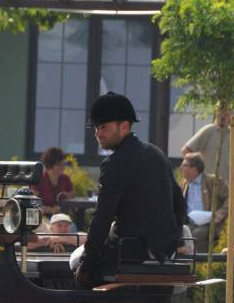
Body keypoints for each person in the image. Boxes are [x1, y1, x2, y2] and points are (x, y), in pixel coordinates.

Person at [75, 92, 187, 287]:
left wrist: (86, 264)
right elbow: (180, 206)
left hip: (130, 253)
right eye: (96, 128)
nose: (97, 133)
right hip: (165, 254)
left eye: (103, 127)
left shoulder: (114, 163)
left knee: (75, 262)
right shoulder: (157, 154)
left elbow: (102, 218)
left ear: (124, 126)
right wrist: (171, 243)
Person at [178, 153, 229, 253]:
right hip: (190, 222)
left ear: (194, 169)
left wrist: (222, 212)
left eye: (184, 165)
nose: (180, 168)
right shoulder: (184, 183)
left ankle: (199, 261)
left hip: (209, 223)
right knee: (182, 232)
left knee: (197, 235)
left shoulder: (212, 181)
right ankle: (186, 260)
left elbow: (232, 196)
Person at [181, 107, 233, 178]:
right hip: (206, 182)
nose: (223, 117)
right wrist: (197, 173)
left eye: (226, 115)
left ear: (230, 115)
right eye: (221, 114)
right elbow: (186, 150)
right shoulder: (209, 130)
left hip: (226, 182)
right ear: (216, 114)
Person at [31, 147, 73, 217]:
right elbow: (33, 203)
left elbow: (72, 200)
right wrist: (51, 210)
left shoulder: (66, 179)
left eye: (64, 163)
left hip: (61, 218)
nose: (63, 166)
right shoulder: (38, 180)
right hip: (42, 217)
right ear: (50, 165)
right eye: (59, 164)